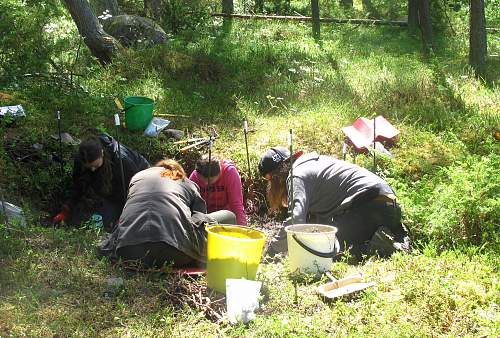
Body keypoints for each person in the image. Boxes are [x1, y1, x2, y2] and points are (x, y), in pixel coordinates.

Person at [258, 146, 410, 259]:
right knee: (325, 238)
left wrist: (271, 252)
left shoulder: (296, 175)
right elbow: (320, 222)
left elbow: (296, 222)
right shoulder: (312, 163)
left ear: (276, 176)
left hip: (369, 206)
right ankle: (394, 234)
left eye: (270, 182)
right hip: (388, 207)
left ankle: (383, 246)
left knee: (327, 251)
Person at [98, 159, 233, 268]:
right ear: (178, 172)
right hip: (174, 252)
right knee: (229, 215)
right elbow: (200, 218)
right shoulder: (186, 182)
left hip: (128, 251)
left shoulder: (136, 178)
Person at [52, 133, 150, 230]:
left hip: (139, 181)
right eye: (89, 167)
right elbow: (77, 186)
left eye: (95, 166)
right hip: (108, 185)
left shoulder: (121, 162)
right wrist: (66, 209)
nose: (93, 170)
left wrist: (123, 215)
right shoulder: (80, 160)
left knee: (107, 219)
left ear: (102, 153)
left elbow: (129, 193)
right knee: (84, 216)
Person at [189, 154, 246, 225]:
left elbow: (236, 204)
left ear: (219, 173)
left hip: (226, 217)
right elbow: (189, 205)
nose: (206, 183)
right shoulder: (195, 176)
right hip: (205, 218)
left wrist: (242, 227)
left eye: (210, 180)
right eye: (203, 180)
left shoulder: (229, 172)